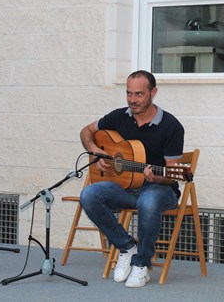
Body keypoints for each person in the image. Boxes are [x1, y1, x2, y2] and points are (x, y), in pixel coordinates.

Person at [79, 70, 185, 288]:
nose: (132, 100)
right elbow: (86, 132)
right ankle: (127, 247)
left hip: (161, 189)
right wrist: (94, 151)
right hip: (127, 187)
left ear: (153, 92)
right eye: (129, 94)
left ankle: (141, 264)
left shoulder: (171, 126)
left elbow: (173, 174)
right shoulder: (119, 117)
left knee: (148, 200)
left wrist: (157, 177)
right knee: (89, 194)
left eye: (139, 94)